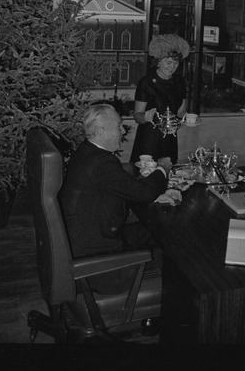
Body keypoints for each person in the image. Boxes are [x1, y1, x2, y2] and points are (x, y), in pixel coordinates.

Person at [59, 103, 171, 293]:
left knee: (159, 234)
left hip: (92, 240)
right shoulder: (101, 163)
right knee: (171, 256)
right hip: (98, 265)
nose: (122, 130)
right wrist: (163, 169)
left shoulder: (86, 152)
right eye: (118, 126)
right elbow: (145, 193)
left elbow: (123, 187)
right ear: (101, 131)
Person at [129, 34, 192, 166]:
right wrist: (145, 116)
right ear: (158, 61)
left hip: (170, 137)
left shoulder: (179, 81)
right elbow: (137, 116)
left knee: (168, 173)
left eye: (175, 63)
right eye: (168, 63)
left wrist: (187, 119)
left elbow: (181, 111)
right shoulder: (146, 83)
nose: (172, 67)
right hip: (149, 138)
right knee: (145, 174)